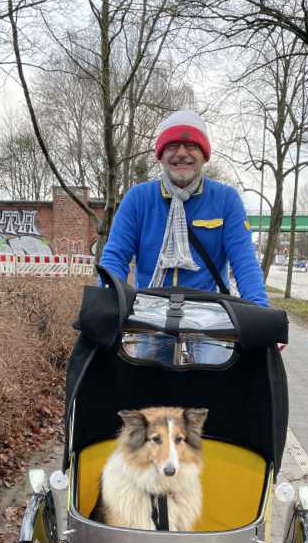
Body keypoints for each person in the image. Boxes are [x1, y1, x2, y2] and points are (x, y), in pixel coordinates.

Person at [100, 110, 269, 363]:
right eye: (172, 146)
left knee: (214, 391)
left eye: (191, 145)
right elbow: (115, 257)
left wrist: (262, 314)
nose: (181, 153)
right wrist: (107, 304)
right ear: (161, 155)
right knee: (149, 392)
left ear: (203, 154)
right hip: (151, 313)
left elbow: (244, 262)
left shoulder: (226, 200)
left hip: (210, 315)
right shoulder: (138, 198)